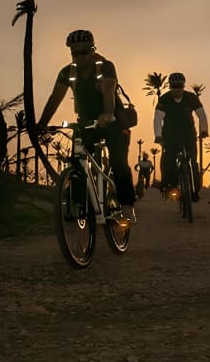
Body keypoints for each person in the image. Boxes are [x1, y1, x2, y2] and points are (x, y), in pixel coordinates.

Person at [36, 29, 136, 222]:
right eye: (75, 53)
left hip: (112, 121)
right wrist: (42, 123)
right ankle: (79, 203)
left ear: (93, 50)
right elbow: (54, 99)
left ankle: (127, 206)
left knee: (118, 163)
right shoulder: (67, 72)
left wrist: (107, 114)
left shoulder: (105, 67)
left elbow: (108, 91)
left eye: (84, 52)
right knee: (76, 161)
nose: (80, 57)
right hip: (86, 123)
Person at [153, 72, 208, 201]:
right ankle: (170, 187)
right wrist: (158, 135)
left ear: (183, 86)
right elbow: (157, 119)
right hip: (170, 134)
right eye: (174, 86)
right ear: (170, 87)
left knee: (193, 162)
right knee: (169, 161)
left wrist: (204, 130)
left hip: (188, 133)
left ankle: (195, 191)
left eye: (179, 86)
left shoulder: (191, 98)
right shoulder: (164, 100)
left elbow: (202, 115)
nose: (177, 89)